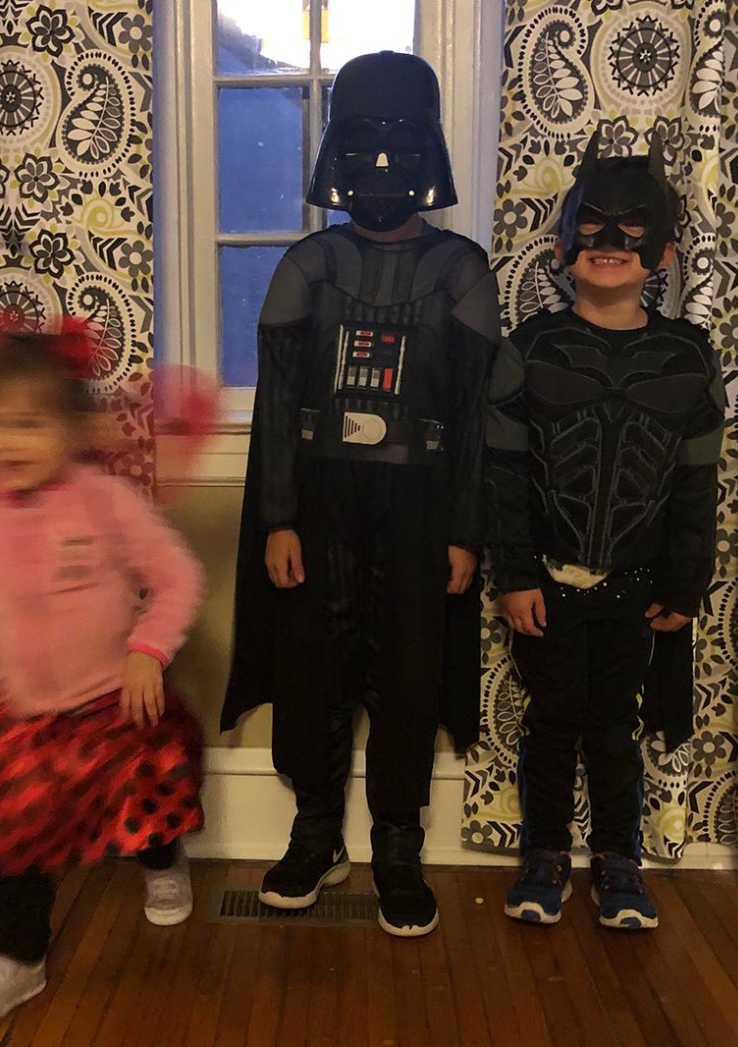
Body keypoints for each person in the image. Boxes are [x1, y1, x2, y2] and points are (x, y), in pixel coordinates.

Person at [221, 51, 502, 937]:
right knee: (315, 665)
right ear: (336, 151)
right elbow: (277, 407)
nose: (381, 167)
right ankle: (316, 832)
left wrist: (465, 531)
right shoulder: (309, 263)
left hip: (422, 504)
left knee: (409, 670)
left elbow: (475, 416)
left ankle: (396, 844)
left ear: (429, 152)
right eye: (363, 145)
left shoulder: (461, 268)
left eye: (401, 145)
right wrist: (277, 518)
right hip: (319, 501)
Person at [0, 314, 204, 1027]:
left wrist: (148, 649)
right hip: (24, 711)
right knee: (15, 836)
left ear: (72, 429)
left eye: (30, 424)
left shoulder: (104, 499)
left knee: (147, 798)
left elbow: (177, 578)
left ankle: (163, 861)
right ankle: (17, 958)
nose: (8, 442)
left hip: (113, 700)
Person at [485, 128, 726, 930]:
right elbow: (503, 474)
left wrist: (687, 583)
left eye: (634, 227)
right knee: (552, 721)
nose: (612, 240)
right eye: (592, 223)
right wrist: (515, 574)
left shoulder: (689, 358)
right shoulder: (529, 350)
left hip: (638, 586)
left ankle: (619, 857)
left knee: (615, 728)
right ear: (563, 245)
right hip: (549, 583)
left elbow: (696, 485)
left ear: (664, 252)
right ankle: (545, 852)